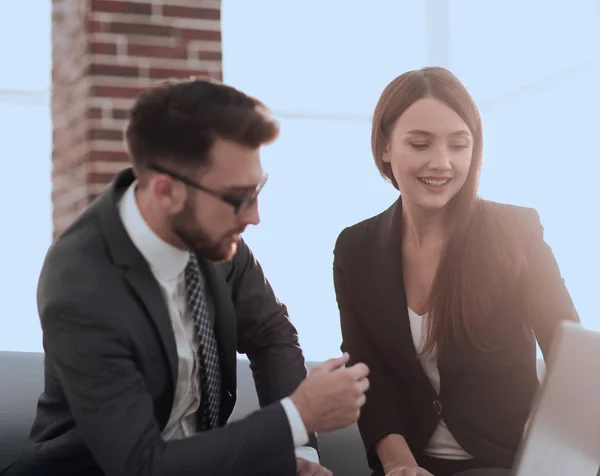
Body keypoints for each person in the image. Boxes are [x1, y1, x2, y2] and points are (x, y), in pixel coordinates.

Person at [3, 79, 370, 476]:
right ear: (166, 192)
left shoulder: (211, 234)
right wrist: (296, 416)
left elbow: (271, 333)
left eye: (257, 189)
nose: (254, 217)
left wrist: (299, 454)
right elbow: (139, 464)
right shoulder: (81, 285)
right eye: (238, 198)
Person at [332, 67, 580, 476]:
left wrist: (552, 453)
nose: (442, 163)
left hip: (505, 463)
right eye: (420, 143)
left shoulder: (515, 232)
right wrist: (400, 466)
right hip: (407, 464)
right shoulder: (355, 247)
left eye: (459, 145)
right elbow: (364, 368)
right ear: (385, 148)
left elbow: (568, 354)